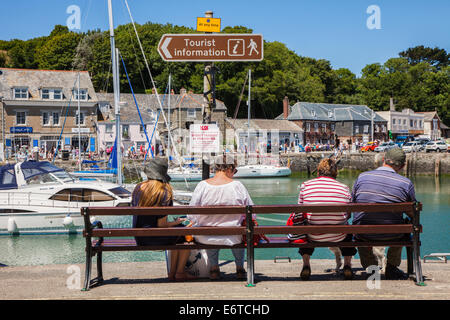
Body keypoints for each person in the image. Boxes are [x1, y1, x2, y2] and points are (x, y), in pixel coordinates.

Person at [352, 148, 415, 280]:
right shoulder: (405, 183)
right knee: (404, 226)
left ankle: (371, 267)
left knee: (359, 225)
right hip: (392, 235)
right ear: (403, 166)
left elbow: (353, 204)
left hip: (363, 233)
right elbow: (413, 212)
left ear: (383, 160)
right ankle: (391, 267)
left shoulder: (362, 177)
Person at [187, 156, 253, 280]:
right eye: (235, 171)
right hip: (234, 237)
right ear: (229, 168)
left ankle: (214, 269)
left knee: (211, 228)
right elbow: (252, 212)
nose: (234, 174)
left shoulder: (202, 186)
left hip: (206, 237)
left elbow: (191, 214)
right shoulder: (237, 186)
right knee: (239, 229)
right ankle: (239, 268)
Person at [131, 158, 195, 282]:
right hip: (156, 238)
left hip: (139, 238)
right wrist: (177, 223)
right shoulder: (164, 192)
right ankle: (179, 272)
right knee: (185, 234)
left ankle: (173, 273)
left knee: (178, 234)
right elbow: (162, 225)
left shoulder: (138, 188)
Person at [296, 158, 356, 280]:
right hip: (339, 235)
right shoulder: (344, 188)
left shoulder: (306, 186)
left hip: (313, 235)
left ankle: (306, 264)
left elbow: (300, 212)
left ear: (318, 172)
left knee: (304, 228)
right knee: (348, 229)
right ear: (335, 173)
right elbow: (348, 214)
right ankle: (347, 265)